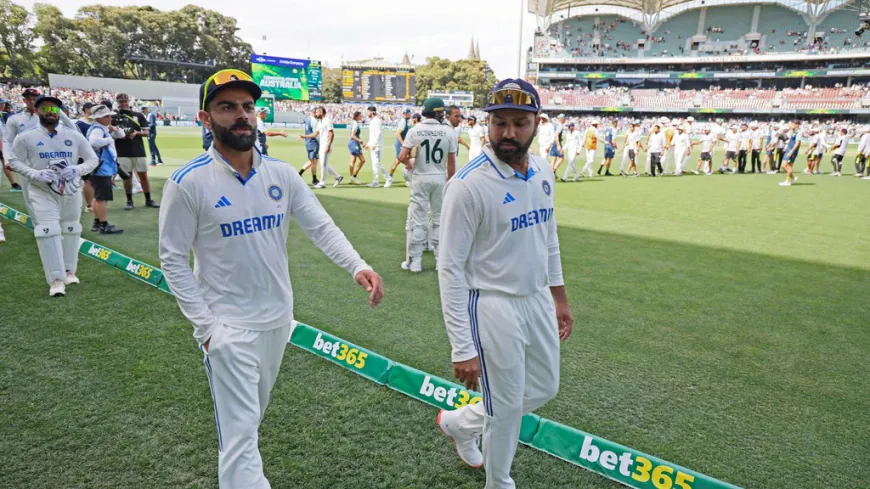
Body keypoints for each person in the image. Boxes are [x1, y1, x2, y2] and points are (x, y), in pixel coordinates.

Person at [158, 69, 384, 489]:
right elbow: (171, 259)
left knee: (247, 426)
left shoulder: (280, 174)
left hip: (278, 321)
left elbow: (321, 226)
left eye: (246, 106)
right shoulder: (187, 183)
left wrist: (358, 265)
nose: (240, 115)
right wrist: (207, 330)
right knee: (241, 439)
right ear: (206, 119)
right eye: (227, 107)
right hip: (229, 328)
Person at [436, 79, 573, 489]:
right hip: (492, 303)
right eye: (500, 123)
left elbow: (548, 237)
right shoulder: (467, 185)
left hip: (535, 298)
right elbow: (449, 268)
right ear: (487, 125)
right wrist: (462, 346)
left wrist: (559, 298)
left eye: (519, 122)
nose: (509, 133)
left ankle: (462, 423)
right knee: (508, 404)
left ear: (536, 123)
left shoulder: (544, 170)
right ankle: (500, 482)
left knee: (544, 388)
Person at [7, 95, 100, 296]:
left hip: (71, 188)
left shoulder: (73, 135)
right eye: (45, 108)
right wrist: (35, 174)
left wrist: (77, 170)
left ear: (60, 112)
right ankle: (56, 280)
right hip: (41, 189)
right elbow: (14, 161)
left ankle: (69, 271)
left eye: (54, 109)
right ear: (37, 111)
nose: (50, 112)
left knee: (71, 228)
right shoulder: (26, 137)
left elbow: (92, 159)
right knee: (47, 230)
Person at [397, 97, 456, 272]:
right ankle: (439, 261)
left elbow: (401, 157)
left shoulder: (415, 130)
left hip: (420, 177)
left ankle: (415, 261)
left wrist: (410, 163)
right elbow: (451, 161)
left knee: (418, 220)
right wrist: (450, 182)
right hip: (439, 178)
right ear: (438, 113)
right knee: (439, 220)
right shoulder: (448, 132)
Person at [113, 93, 159, 210]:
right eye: (121, 101)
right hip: (122, 150)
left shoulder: (138, 115)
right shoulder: (113, 117)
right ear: (117, 103)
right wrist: (117, 135)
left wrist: (136, 133)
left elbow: (147, 132)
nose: (123, 103)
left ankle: (148, 200)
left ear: (129, 102)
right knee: (127, 176)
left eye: (125, 101)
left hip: (138, 150)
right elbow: (110, 133)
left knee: (143, 175)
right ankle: (129, 201)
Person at [86, 105, 125, 234]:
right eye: (107, 116)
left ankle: (97, 223)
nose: (110, 118)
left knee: (99, 197)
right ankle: (104, 224)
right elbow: (93, 142)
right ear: (99, 118)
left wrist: (114, 130)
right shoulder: (98, 129)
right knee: (102, 197)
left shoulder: (101, 128)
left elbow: (121, 134)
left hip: (100, 167)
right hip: (102, 167)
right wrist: (109, 138)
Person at [299, 106, 343, 188]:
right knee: (324, 163)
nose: (316, 113)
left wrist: (328, 146)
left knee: (323, 164)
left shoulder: (327, 120)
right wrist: (304, 136)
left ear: (321, 112)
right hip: (322, 145)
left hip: (326, 145)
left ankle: (322, 182)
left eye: (317, 112)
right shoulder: (320, 122)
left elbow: (331, 133)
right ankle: (338, 177)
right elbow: (315, 134)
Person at [365, 106, 392, 188]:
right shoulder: (373, 121)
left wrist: (374, 144)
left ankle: (388, 178)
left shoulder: (376, 121)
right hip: (373, 145)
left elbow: (378, 133)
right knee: (374, 164)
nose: (367, 113)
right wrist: (368, 144)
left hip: (376, 146)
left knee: (377, 163)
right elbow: (372, 135)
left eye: (368, 111)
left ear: (372, 112)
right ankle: (375, 181)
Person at [388, 108, 412, 183]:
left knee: (397, 162)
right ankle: (408, 180)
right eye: (409, 113)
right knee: (408, 163)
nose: (410, 115)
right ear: (406, 114)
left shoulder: (404, 121)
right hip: (400, 146)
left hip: (399, 145)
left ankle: (389, 178)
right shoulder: (403, 122)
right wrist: (403, 143)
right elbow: (398, 133)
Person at [297, 108, 320, 187]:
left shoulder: (307, 119)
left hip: (308, 143)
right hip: (313, 143)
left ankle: (299, 174)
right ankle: (314, 179)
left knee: (311, 161)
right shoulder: (314, 121)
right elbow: (315, 134)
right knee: (314, 162)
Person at [779, 120, 801, 187]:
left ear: (797, 125)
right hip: (788, 150)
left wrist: (791, 151)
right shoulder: (794, 131)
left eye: (792, 124)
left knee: (787, 166)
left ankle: (788, 181)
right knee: (784, 166)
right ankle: (792, 178)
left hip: (792, 151)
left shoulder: (799, 132)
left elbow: (798, 143)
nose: (791, 125)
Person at [347, 111, 366, 184]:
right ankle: (353, 176)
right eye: (360, 116)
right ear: (357, 116)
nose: (361, 117)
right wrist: (361, 142)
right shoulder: (355, 124)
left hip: (352, 143)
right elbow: (353, 135)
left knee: (353, 160)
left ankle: (352, 177)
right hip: (354, 143)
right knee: (362, 160)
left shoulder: (354, 123)